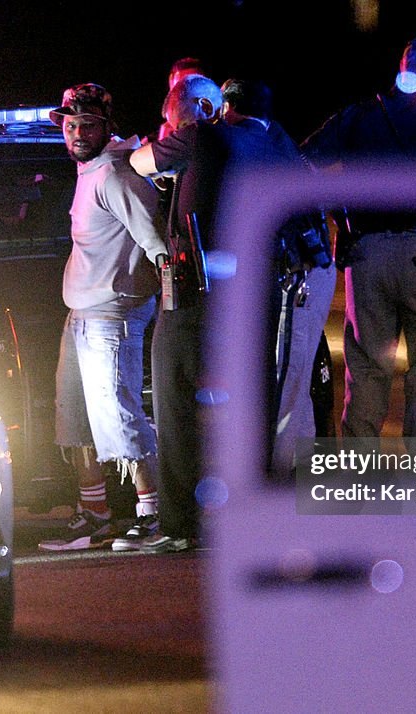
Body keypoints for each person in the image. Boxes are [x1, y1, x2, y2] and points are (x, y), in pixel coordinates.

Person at [129, 74, 295, 552]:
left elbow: (141, 162)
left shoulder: (202, 134)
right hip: (255, 288)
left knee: (174, 396)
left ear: (201, 109)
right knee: (252, 402)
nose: (170, 128)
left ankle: (181, 525)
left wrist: (168, 144)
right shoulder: (266, 140)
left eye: (171, 119)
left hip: (196, 291)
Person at [301, 34, 416, 448]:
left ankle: (354, 488)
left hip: (364, 256)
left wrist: (335, 207)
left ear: (400, 70)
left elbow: (301, 163)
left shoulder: (358, 116)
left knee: (365, 372)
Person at [38, 83, 167, 551]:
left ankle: (153, 516)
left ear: (106, 127)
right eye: (69, 125)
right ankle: (95, 515)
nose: (75, 133)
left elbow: (157, 243)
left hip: (113, 314)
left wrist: (167, 292)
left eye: (86, 125)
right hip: (81, 314)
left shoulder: (114, 174)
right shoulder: (89, 169)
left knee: (118, 415)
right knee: (75, 421)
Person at [220, 77, 337, 478]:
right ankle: (301, 477)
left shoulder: (250, 142)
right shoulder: (277, 139)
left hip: (299, 274)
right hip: (313, 269)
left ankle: (280, 480)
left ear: (229, 108)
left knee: (286, 380)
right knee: (296, 380)